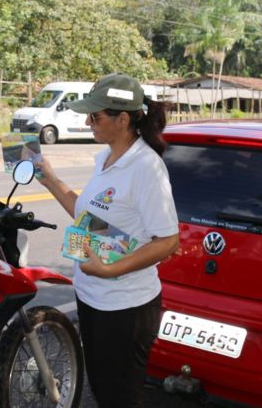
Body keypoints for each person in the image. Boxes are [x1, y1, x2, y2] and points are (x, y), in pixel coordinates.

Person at [35, 73, 179, 408]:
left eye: (95, 116)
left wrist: (111, 271)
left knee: (119, 397)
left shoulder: (146, 167)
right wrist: (51, 181)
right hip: (92, 295)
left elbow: (168, 241)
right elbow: (90, 219)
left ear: (123, 119)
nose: (88, 122)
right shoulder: (106, 158)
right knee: (101, 388)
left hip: (125, 306)